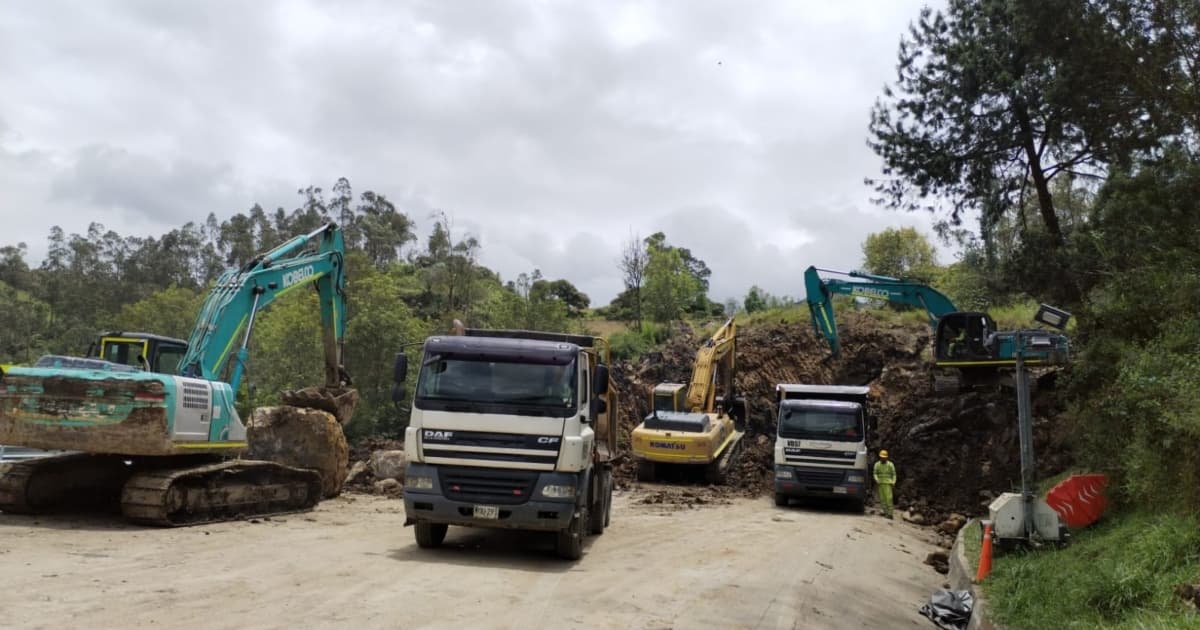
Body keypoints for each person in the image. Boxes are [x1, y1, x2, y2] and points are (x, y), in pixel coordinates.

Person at [873, 449, 897, 519]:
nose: (883, 458)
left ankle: (890, 514)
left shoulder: (890, 464)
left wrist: (893, 482)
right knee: (883, 499)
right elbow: (875, 473)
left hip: (888, 484)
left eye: (884, 457)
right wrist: (876, 479)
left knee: (889, 499)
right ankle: (886, 513)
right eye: (881, 457)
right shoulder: (877, 464)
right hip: (880, 483)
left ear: (887, 457)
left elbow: (894, 474)